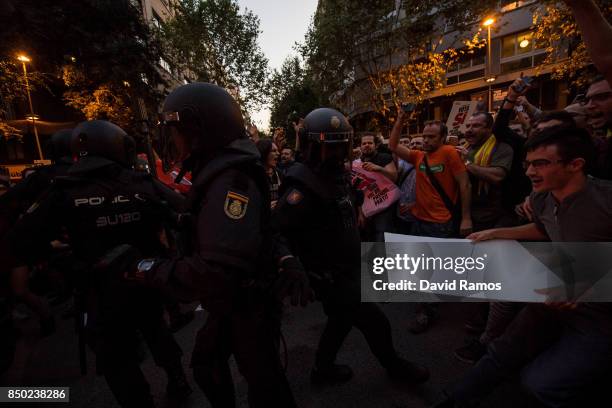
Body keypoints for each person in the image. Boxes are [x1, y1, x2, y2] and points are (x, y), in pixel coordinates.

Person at [112, 83, 309, 408]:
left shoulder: (232, 182)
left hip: (247, 305)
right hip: (231, 303)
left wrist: (148, 269)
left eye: (175, 131)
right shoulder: (221, 174)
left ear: (198, 130)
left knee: (266, 385)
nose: (172, 140)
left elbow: (216, 269)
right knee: (207, 367)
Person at [8, 120, 191, 407]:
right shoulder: (138, 182)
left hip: (100, 288)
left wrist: (62, 257)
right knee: (156, 330)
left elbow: (20, 239)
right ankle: (178, 379)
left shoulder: (62, 191)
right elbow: (181, 211)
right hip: (145, 278)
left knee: (116, 354)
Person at [439, 125, 612, 408]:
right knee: (499, 353)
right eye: (528, 164)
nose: (530, 172)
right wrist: (495, 234)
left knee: (537, 384)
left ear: (575, 164)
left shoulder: (606, 200)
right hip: (549, 299)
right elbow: (545, 229)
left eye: (541, 164)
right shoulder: (541, 199)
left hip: (601, 318)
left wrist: (590, 282)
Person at [272, 107, 429, 386]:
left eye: (341, 147)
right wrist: (288, 261)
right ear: (311, 148)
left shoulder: (337, 174)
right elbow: (275, 230)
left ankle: (322, 370)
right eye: (329, 148)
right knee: (375, 322)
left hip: (349, 266)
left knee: (341, 321)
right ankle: (394, 366)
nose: (337, 155)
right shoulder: (302, 185)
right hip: (330, 276)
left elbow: (346, 200)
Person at [456, 112, 514, 231]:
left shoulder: (502, 148)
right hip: (463, 213)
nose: (469, 130)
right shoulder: (465, 149)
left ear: (489, 128)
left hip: (489, 216)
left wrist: (467, 162)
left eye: (476, 126)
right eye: (468, 126)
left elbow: (497, 176)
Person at [356, 133, 398, 241]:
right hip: (367, 209)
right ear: (360, 146)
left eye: (370, 143)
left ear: (376, 145)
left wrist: (379, 169)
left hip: (384, 208)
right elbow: (357, 190)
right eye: (364, 143)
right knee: (368, 239)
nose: (367, 145)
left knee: (382, 238)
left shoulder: (385, 158)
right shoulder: (356, 163)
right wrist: (360, 212)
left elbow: (394, 177)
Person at [256, 139, 282, 208]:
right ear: (264, 152)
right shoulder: (255, 176)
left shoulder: (279, 173)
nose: (278, 153)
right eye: (274, 151)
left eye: (277, 150)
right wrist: (265, 208)